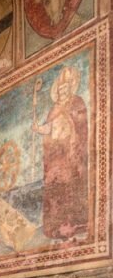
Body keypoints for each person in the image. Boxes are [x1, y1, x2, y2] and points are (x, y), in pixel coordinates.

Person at [32, 66, 89, 240]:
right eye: (60, 89)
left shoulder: (77, 102)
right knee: (54, 188)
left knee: (70, 186)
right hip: (55, 156)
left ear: (71, 88)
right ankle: (55, 225)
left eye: (66, 88)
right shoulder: (53, 109)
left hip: (70, 153)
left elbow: (81, 124)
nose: (62, 91)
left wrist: (70, 121)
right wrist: (38, 128)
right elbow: (48, 128)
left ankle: (73, 223)